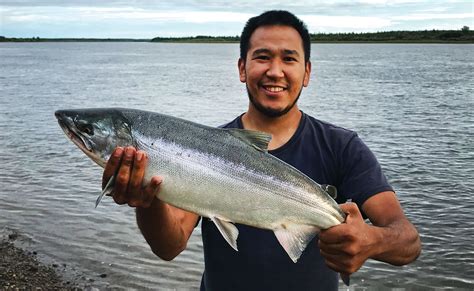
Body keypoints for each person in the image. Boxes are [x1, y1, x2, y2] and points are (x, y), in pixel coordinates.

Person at [102, 10, 421, 291]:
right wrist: (146, 201)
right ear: (242, 68)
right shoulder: (204, 149)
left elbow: (407, 241)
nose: (275, 71)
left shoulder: (341, 146)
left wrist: (370, 240)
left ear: (307, 72)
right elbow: (169, 246)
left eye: (289, 58)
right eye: (263, 56)